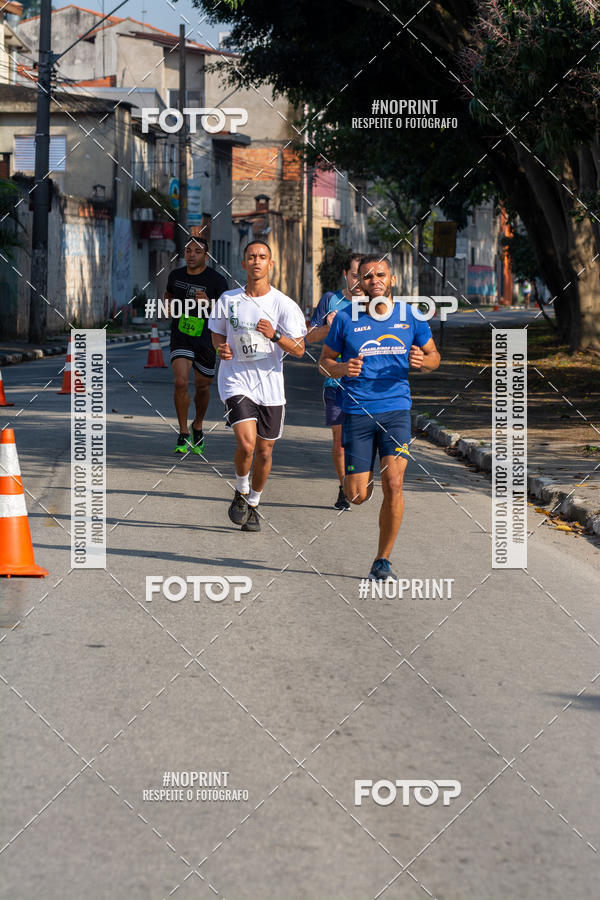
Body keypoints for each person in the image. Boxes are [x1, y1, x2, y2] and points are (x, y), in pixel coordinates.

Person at [318, 254, 441, 581]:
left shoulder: (410, 316)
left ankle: (382, 560)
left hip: (396, 410)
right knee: (357, 495)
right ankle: (360, 478)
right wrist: (342, 368)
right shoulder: (346, 319)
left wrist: (422, 361)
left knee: (395, 482)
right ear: (359, 281)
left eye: (380, 275)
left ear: (392, 279)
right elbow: (324, 361)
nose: (375, 281)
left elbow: (434, 357)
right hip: (357, 410)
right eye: (368, 276)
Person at [209, 241, 306, 532]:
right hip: (236, 380)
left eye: (262, 257)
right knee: (247, 443)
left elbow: (300, 349)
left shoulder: (283, 304)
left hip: (271, 387)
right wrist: (220, 350)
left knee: (265, 451)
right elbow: (216, 333)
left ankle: (253, 501)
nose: (256, 261)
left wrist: (275, 335)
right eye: (251, 257)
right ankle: (240, 488)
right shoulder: (228, 299)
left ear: (270, 264)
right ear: (243, 263)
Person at [306, 252, 364, 510]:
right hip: (336, 384)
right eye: (355, 276)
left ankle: (359, 479)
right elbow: (308, 337)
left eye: (364, 277)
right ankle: (344, 488)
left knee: (361, 441)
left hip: (368, 387)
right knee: (340, 442)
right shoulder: (331, 301)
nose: (360, 283)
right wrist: (329, 329)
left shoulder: (379, 306)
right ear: (345, 274)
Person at [165, 237, 228, 453]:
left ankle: (197, 424)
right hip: (181, 335)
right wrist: (168, 306)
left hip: (207, 338)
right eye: (188, 250)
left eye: (197, 251)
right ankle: (183, 432)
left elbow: (226, 311)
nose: (191, 255)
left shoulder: (217, 281)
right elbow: (168, 295)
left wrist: (209, 303)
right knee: (181, 382)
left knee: (202, 386)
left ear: (206, 256)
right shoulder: (176, 275)